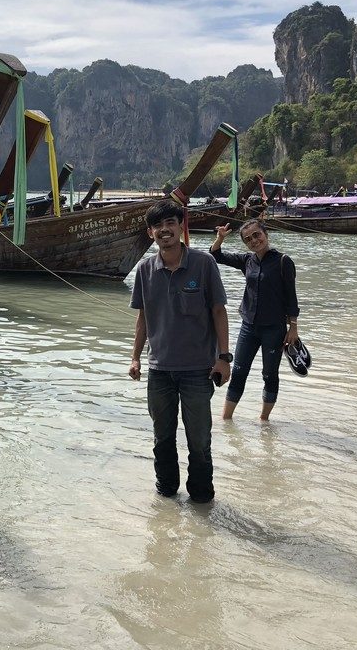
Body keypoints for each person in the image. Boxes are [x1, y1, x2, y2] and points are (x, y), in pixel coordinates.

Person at [128, 199, 231, 503]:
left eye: (170, 223)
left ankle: (201, 499)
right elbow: (142, 317)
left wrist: (224, 358)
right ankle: (166, 494)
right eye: (158, 226)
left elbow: (218, 311)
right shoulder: (145, 269)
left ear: (180, 226)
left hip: (198, 370)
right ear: (151, 233)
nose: (164, 230)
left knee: (199, 438)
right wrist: (135, 357)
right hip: (159, 371)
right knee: (162, 436)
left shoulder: (203, 263)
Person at [209, 219, 300, 421]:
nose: (254, 241)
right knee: (239, 372)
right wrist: (220, 238)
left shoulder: (284, 261)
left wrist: (293, 327)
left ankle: (264, 421)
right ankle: (226, 420)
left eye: (257, 235)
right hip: (248, 327)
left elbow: (291, 298)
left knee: (269, 374)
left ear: (265, 234)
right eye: (248, 239)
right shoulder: (247, 261)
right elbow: (215, 255)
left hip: (274, 328)